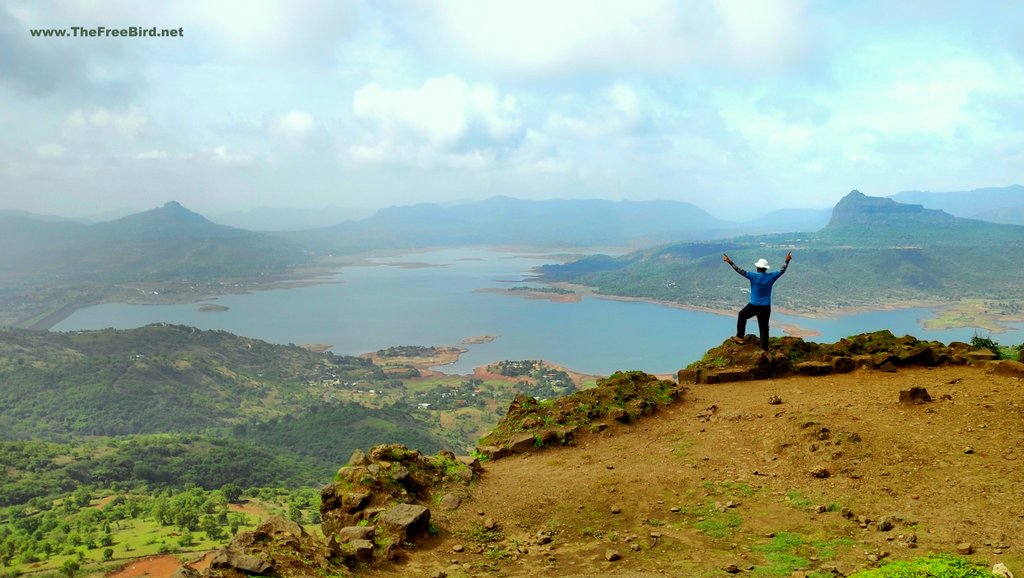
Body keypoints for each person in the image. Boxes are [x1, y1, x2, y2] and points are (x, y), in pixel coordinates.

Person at [722, 252, 792, 351]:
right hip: (766, 307)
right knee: (764, 327)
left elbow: (739, 270)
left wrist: (729, 262)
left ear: (758, 268)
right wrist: (787, 260)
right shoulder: (771, 277)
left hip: (754, 305)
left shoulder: (753, 276)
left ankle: (740, 337)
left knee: (742, 315)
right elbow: (782, 270)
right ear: (766, 268)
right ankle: (764, 348)